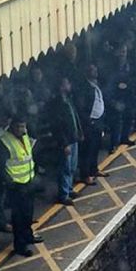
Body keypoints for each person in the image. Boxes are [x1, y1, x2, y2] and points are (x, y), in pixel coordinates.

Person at [0, 115, 43, 256]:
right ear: (12, 126)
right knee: (18, 217)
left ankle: (28, 235)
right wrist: (9, 182)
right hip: (16, 186)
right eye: (19, 127)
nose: (22, 129)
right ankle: (20, 245)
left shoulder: (24, 136)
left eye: (24, 126)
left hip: (28, 181)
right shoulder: (5, 142)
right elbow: (0, 167)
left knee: (28, 213)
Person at [48, 76, 82, 208]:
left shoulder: (68, 99)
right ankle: (63, 194)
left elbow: (75, 116)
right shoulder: (58, 104)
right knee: (65, 167)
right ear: (62, 86)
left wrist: (79, 131)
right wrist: (64, 143)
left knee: (72, 166)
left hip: (73, 137)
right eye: (67, 83)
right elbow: (58, 126)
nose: (70, 86)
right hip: (66, 140)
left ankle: (69, 188)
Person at [76, 64, 108, 186]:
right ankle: (86, 175)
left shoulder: (96, 84)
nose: (96, 72)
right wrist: (88, 120)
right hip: (90, 123)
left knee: (95, 147)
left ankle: (94, 169)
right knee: (87, 150)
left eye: (96, 69)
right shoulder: (84, 88)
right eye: (93, 70)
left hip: (98, 121)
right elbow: (82, 107)